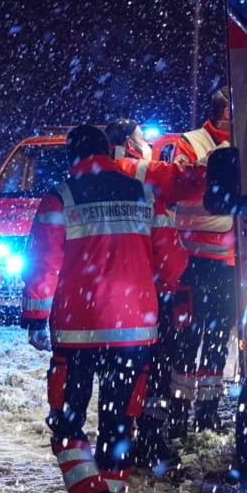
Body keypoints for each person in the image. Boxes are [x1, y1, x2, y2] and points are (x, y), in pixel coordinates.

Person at [22, 124, 184, 493]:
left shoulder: (61, 197)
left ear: (73, 157)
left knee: (67, 424)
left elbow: (41, 265)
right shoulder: (146, 195)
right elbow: (170, 262)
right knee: (118, 427)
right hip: (135, 333)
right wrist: (163, 289)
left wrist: (36, 316)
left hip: (77, 333)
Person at [103, 117, 201, 473]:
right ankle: (148, 440)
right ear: (130, 144)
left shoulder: (82, 186)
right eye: (142, 139)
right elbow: (171, 255)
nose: (147, 145)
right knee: (154, 370)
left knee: (115, 375)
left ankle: (114, 441)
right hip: (145, 298)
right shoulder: (139, 178)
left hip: (99, 302)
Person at [152, 87, 236, 439]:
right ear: (223, 113)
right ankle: (177, 412)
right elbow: (181, 188)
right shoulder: (190, 143)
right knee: (185, 338)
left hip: (230, 261)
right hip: (193, 259)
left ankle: (208, 412)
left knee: (218, 339)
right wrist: (213, 168)